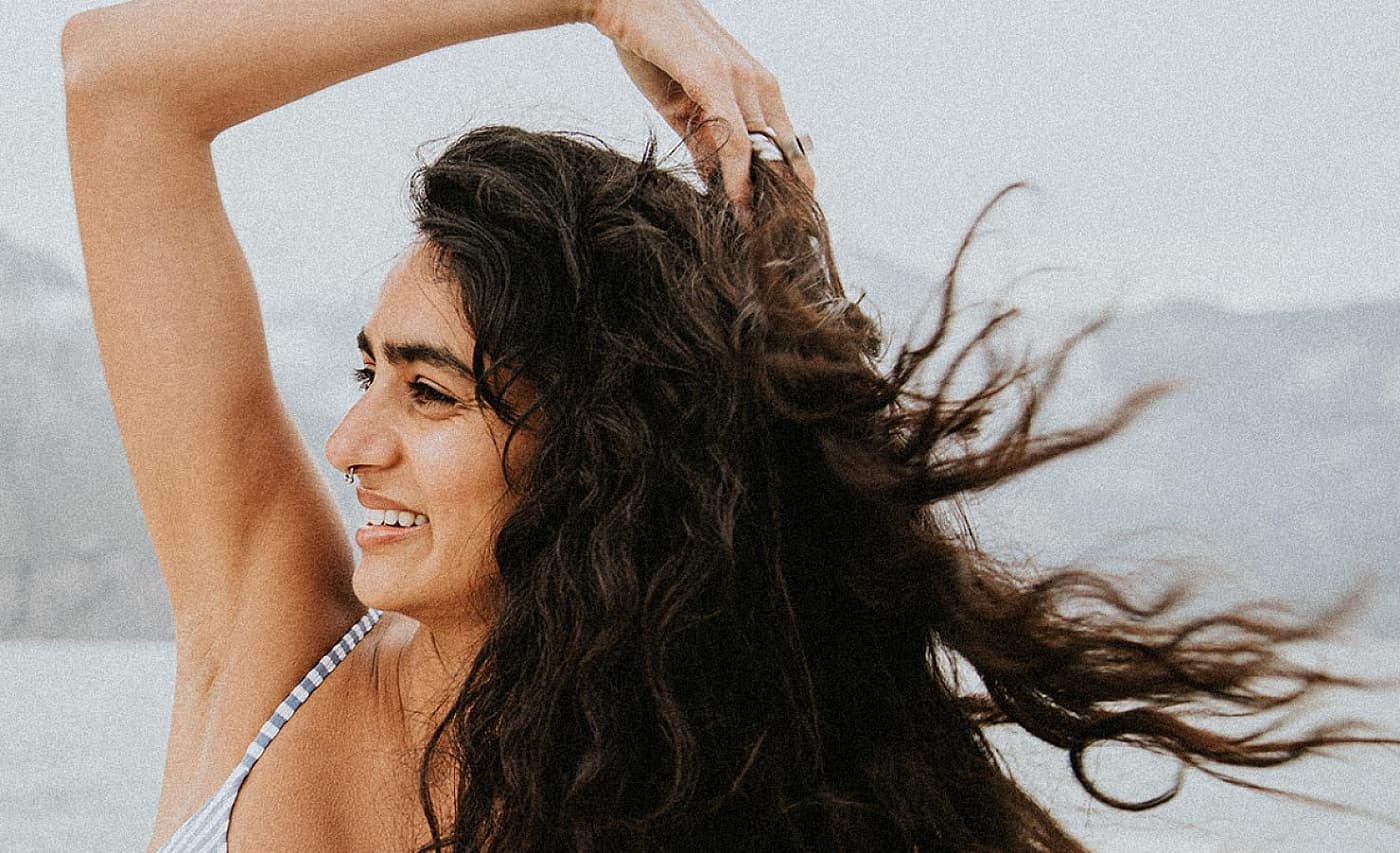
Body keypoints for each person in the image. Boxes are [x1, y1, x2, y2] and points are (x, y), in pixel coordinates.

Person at [62, 1, 1388, 851]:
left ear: (598, 448)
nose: (351, 441)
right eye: (368, 371)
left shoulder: (716, 793)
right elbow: (117, 84)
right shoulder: (272, 638)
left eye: (430, 390)